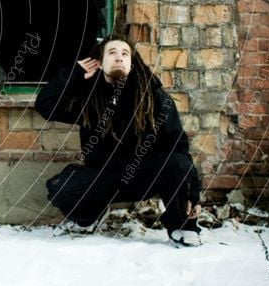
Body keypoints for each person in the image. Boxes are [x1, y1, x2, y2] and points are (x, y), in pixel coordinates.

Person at [35, 34, 203, 247]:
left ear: (132, 64)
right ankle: (90, 217)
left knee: (177, 163)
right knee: (62, 189)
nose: (119, 57)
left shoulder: (154, 98)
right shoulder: (89, 97)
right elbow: (46, 107)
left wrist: (193, 193)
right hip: (104, 176)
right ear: (100, 62)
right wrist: (73, 75)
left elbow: (178, 146)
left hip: (145, 174)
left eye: (125, 54)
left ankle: (183, 226)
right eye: (112, 53)